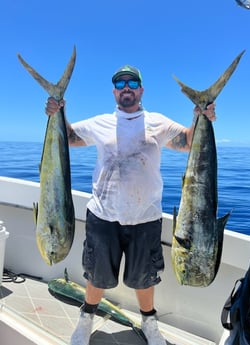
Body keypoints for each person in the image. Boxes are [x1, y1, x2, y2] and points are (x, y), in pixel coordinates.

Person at [45, 65, 216, 345]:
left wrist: (202, 117)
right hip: (103, 215)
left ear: (141, 90)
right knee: (96, 274)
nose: (126, 87)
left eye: (132, 82)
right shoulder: (100, 122)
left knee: (145, 278)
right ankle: (86, 319)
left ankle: (150, 323)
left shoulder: (157, 122)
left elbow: (187, 141)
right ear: (114, 91)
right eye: (121, 83)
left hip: (145, 218)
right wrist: (56, 111)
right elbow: (71, 138)